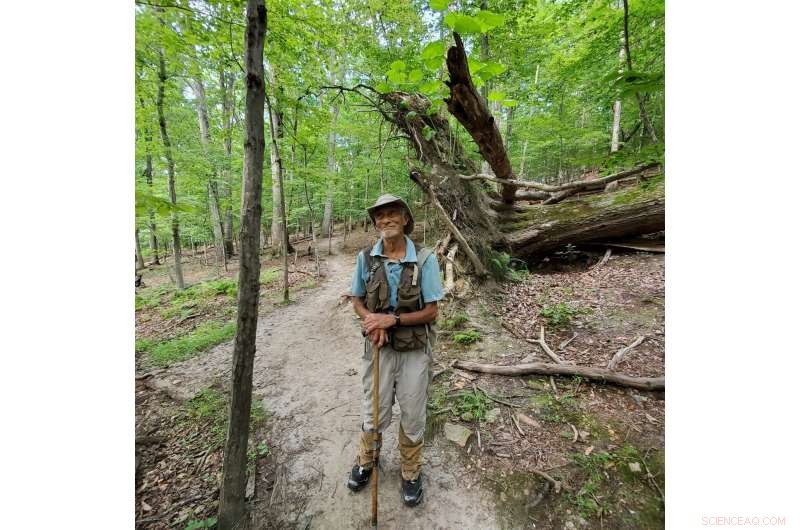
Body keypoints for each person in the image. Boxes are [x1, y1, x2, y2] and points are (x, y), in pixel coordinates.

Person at [346, 194, 444, 507]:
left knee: (413, 413)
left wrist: (392, 320)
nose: (384, 220)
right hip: (378, 349)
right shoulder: (366, 258)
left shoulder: (425, 259)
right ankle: (367, 460)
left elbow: (432, 311)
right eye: (379, 216)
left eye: (391, 214)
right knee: (373, 408)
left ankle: (411, 471)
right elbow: (358, 301)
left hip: (414, 349)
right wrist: (372, 323)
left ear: (404, 218)